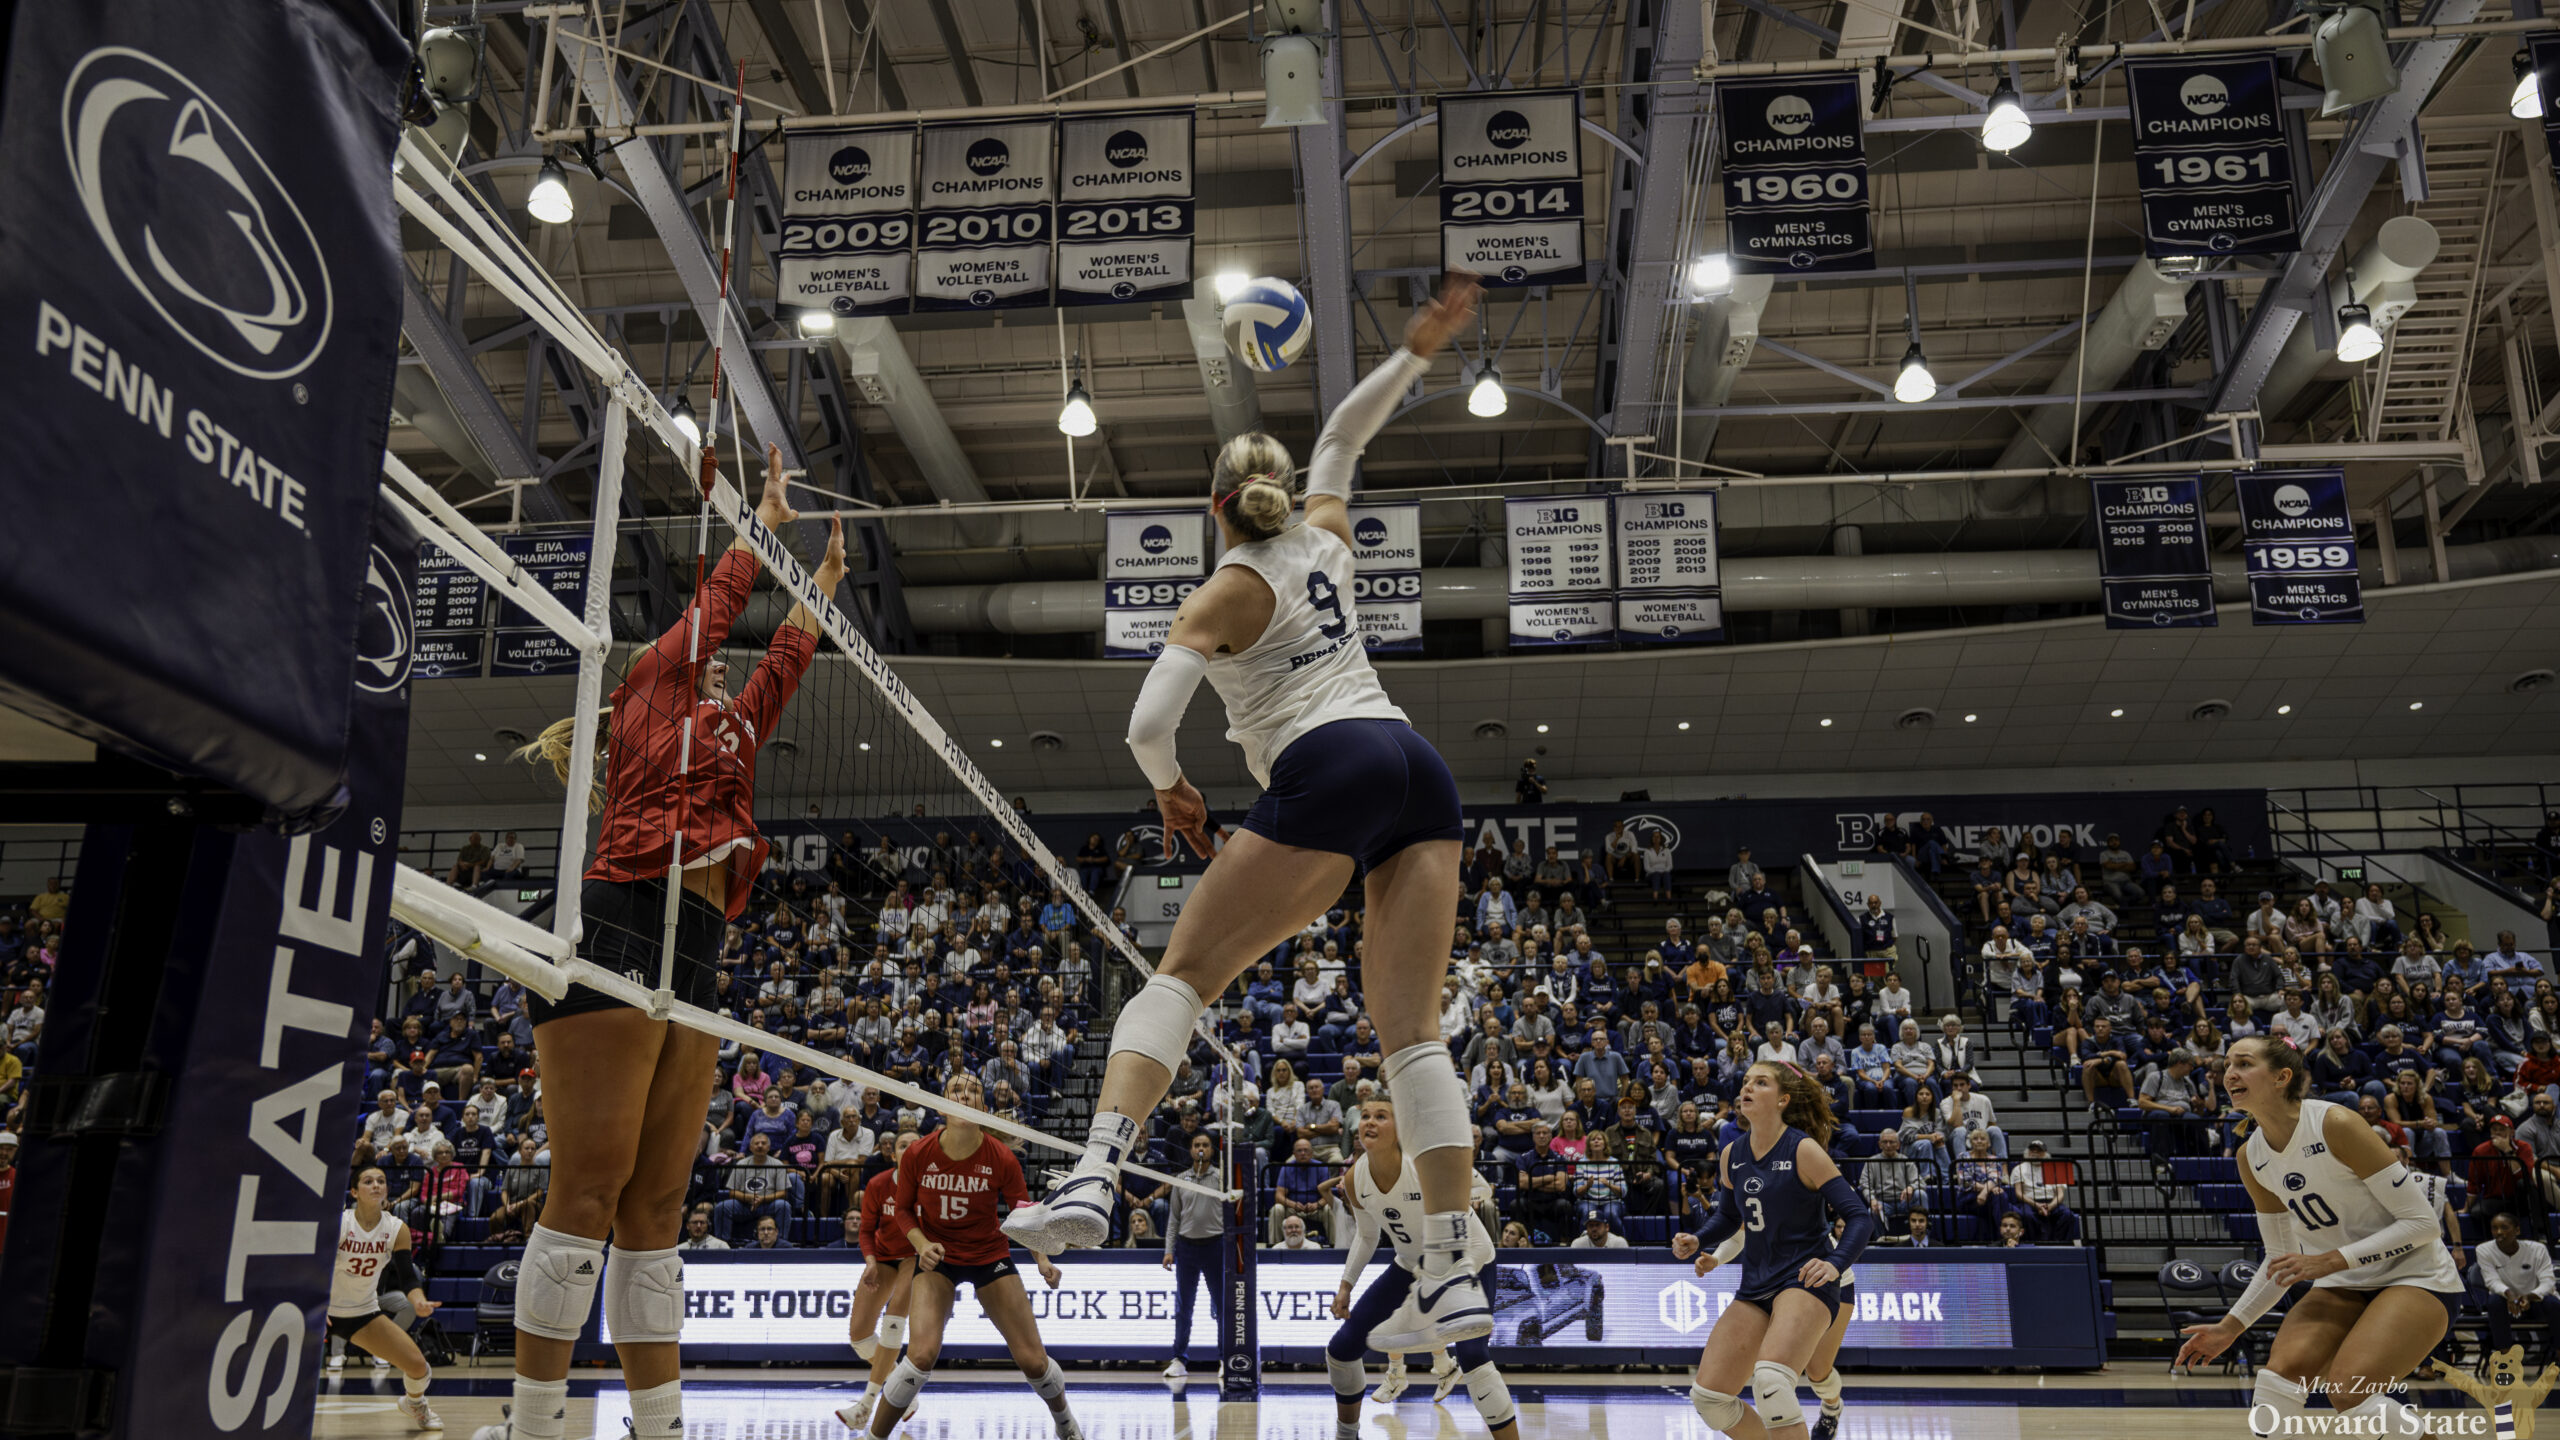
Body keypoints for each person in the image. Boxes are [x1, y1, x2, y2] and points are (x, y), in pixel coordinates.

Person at [1006, 275, 1495, 1347]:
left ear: (1212, 504)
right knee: (1413, 1034)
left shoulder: (1221, 592)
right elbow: (1340, 434)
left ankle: (1093, 1176)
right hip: (1417, 763)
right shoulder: (1323, 534)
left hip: (1328, 762)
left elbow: (1146, 725)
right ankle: (1455, 1271)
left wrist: (1173, 791)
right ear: (1274, 491)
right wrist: (1416, 349)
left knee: (1181, 975)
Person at [486, 452, 843, 1440]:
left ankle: (660, 1426)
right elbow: (722, 606)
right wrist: (758, 523)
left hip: (696, 950)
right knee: (590, 1187)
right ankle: (536, 1424)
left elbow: (785, 665)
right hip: (620, 914)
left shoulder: (728, 734)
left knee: (656, 1208)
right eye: (703, 655)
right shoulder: (648, 688)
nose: (716, 663)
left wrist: (818, 587)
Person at [2174, 1037, 2463, 1438]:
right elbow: (2279, 1259)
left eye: (2243, 1063)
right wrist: (2231, 1326)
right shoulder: (2251, 1156)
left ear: (2282, 1077)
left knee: (2350, 1391)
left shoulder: (2335, 1123)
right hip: (2344, 1283)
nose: (2230, 1074)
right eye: (2226, 1065)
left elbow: (2423, 1224)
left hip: (2415, 1275)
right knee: (2277, 1381)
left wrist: (2329, 1261)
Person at [862, 1075, 1080, 1440]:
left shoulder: (1001, 1157)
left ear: (983, 1107)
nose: (965, 1095)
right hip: (938, 1258)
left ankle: (1066, 1424)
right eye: (956, 1090)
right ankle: (873, 1437)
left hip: (989, 1256)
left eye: (974, 1090)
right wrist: (920, 1244)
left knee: (1034, 1361)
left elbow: (1022, 1213)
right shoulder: (919, 1153)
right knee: (920, 1356)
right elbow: (902, 1211)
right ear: (941, 1105)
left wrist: (1041, 1260)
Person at [1669, 1063, 1877, 1440]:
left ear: (1782, 1099)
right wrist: (1700, 1239)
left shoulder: (1803, 1149)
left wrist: (1834, 1263)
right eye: (1745, 1081)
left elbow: (1859, 1217)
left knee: (1772, 1382)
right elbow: (1730, 1217)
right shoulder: (1732, 1152)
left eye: (1760, 1082)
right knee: (1709, 1398)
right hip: (1756, 1284)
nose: (1747, 1087)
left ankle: (1830, 1406)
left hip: (1803, 1280)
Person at [1327, 1095, 1521, 1440]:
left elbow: (1478, 1217)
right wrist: (1346, 1285)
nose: (1370, 1121)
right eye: (1366, 1116)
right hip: (1410, 1266)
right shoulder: (1356, 1178)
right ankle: (1347, 1434)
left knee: (1473, 1355)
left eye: (1381, 1116)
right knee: (1342, 1350)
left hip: (1468, 1260)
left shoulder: (1424, 1165)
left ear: (1400, 1128)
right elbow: (1367, 1236)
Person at [330, 1167, 444, 1430]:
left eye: (381, 1181)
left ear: (386, 1190)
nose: (376, 1185)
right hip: (324, 1311)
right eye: (368, 1181)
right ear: (355, 1192)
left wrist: (418, 1301)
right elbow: (316, 1269)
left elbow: (408, 1277)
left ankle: (414, 1403)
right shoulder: (340, 1222)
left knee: (418, 1367)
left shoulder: (396, 1228)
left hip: (363, 1313)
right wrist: (316, 1305)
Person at [832, 1166, 919, 1433]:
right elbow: (867, 1229)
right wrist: (869, 1261)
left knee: (893, 1320)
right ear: (894, 1154)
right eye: (903, 1145)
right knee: (859, 1337)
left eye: (914, 1146)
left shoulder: (927, 1184)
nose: (909, 1150)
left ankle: (866, 1405)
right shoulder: (879, 1183)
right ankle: (904, 1392)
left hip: (914, 1254)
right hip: (883, 1255)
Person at [1163, 1133, 1230, 1385]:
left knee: (1222, 1306)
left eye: (1205, 1145)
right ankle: (1179, 1358)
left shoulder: (1222, 1179)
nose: (1201, 1149)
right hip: (1187, 1247)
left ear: (1211, 1150)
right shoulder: (1181, 1180)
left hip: (1215, 1245)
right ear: (1190, 1150)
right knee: (1184, 1306)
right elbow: (1174, 1218)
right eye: (1196, 1145)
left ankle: (1225, 1358)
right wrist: (1169, 1249)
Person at [2476, 1210, 2560, 1366]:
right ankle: (2506, 1358)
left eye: (2504, 1227)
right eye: (2495, 1228)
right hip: (2506, 1301)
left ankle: (2558, 1354)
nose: (2499, 1232)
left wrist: (2528, 1297)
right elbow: (2491, 1281)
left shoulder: (2537, 1249)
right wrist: (2510, 1295)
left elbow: (2548, 1282)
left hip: (2535, 1301)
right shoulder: (2483, 1250)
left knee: (2554, 1303)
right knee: (2494, 1301)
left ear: (2517, 1230)